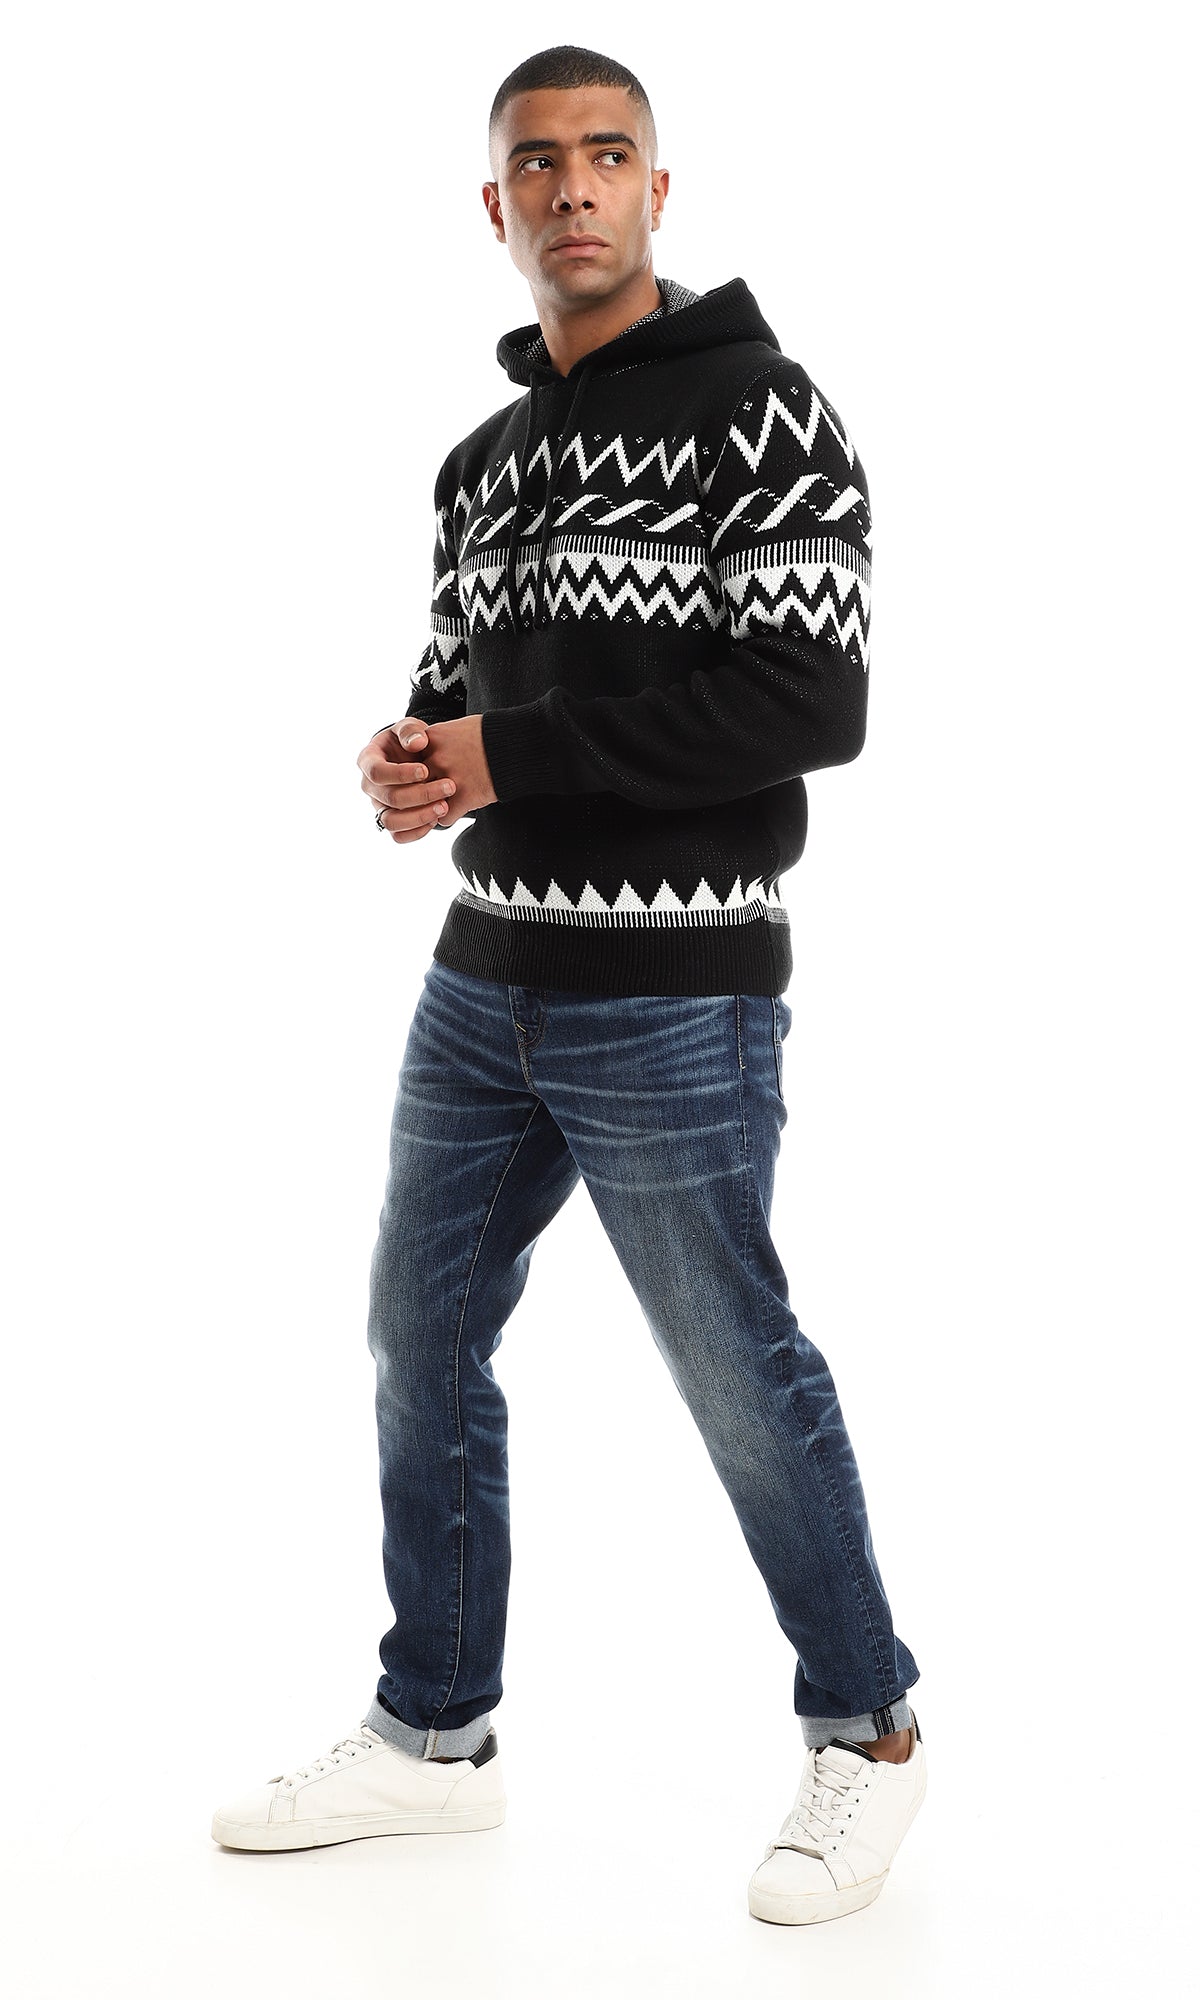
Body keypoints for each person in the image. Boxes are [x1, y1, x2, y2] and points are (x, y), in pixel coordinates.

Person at [211, 43, 926, 1927]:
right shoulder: (484, 461)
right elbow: (466, 689)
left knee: (737, 1369)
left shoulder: (762, 411)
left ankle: (866, 1733)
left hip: (674, 993)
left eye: (610, 155)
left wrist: (506, 755)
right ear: (498, 207)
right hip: (485, 979)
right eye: (540, 163)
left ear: (658, 192)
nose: (576, 187)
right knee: (420, 1329)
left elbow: (810, 702)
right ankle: (436, 1733)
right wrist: (415, 756)